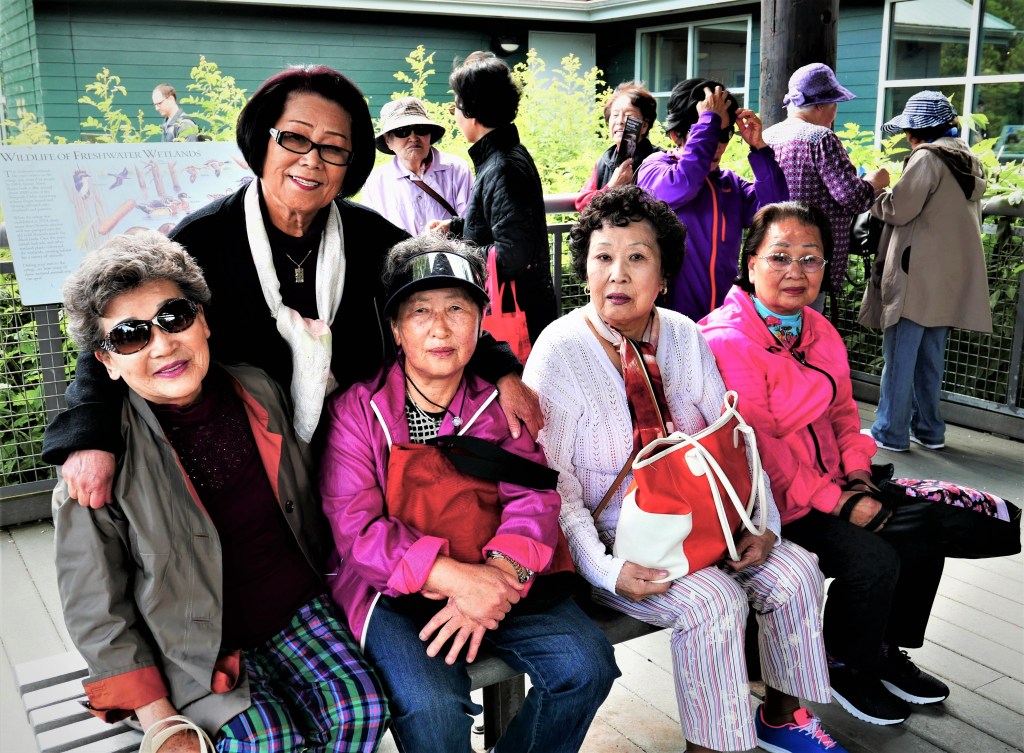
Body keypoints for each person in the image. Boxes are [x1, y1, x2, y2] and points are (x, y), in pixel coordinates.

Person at [44, 64, 538, 509]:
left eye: (333, 148)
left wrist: (502, 370)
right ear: (262, 142)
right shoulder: (202, 239)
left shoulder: (372, 238)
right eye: (294, 138)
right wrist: (90, 433)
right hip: (244, 458)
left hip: (362, 450)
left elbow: (437, 302)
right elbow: (117, 330)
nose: (312, 161)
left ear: (350, 164)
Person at [524, 185, 845, 753]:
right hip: (616, 539)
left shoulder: (683, 334)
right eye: (603, 257)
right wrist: (607, 570)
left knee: (796, 570)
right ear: (585, 268)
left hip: (704, 519)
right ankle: (713, 747)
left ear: (664, 274)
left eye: (637, 257)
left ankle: (780, 717)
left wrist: (762, 525)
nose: (618, 274)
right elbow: (556, 487)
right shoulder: (561, 349)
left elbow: (734, 440)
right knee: (714, 600)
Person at [52, 231, 387, 752]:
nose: (163, 344)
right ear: (107, 362)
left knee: (361, 710)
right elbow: (96, 607)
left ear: (203, 322)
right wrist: (159, 719)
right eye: (130, 336)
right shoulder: (94, 466)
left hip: (296, 609)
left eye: (174, 317)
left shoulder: (257, 389)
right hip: (192, 646)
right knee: (264, 742)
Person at [321, 233, 618, 753]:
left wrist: (499, 578)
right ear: (396, 329)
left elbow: (533, 498)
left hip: (499, 569)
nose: (440, 328)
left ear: (480, 323)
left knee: (585, 667)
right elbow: (356, 527)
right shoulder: (358, 411)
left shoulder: (501, 405)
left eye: (457, 308)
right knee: (432, 709)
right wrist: (458, 580)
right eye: (420, 311)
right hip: (393, 590)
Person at [700, 202, 950, 728]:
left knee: (925, 531)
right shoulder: (727, 340)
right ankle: (844, 664)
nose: (795, 271)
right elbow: (760, 450)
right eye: (780, 256)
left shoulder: (817, 329)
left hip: (832, 484)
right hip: (770, 505)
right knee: (873, 560)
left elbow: (842, 413)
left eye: (810, 258)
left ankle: (882, 649)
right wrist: (839, 503)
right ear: (751, 264)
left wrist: (857, 473)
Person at [861, 91, 990, 452]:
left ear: (918, 130)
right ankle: (929, 431)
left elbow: (899, 209)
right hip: (948, 278)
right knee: (930, 359)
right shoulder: (968, 159)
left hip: (914, 274)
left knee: (899, 358)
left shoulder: (927, 158)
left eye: (908, 131)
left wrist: (874, 190)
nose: (906, 137)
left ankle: (890, 432)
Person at [636, 78, 789, 322]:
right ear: (675, 135)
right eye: (707, 130)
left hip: (722, 322)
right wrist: (709, 121)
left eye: (724, 134)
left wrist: (760, 149)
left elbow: (775, 211)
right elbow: (683, 184)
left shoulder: (731, 184)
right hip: (669, 322)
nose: (717, 144)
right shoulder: (656, 169)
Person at [431, 51, 557, 344]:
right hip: (528, 304)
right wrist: (455, 227)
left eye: (455, 107)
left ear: (471, 112)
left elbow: (512, 254)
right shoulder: (506, 155)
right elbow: (504, 223)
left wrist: (458, 251)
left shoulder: (501, 166)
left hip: (518, 313)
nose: (455, 116)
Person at [762, 63, 890, 309]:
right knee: (808, 323)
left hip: (773, 250)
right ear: (821, 105)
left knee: (775, 321)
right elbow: (851, 197)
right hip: (812, 253)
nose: (835, 113)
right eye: (835, 104)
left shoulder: (769, 136)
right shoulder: (821, 138)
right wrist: (875, 182)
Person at [360, 97, 474, 234]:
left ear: (430, 135)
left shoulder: (458, 170)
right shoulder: (375, 182)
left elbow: (473, 225)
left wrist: (451, 227)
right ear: (388, 140)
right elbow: (371, 233)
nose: (413, 138)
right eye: (402, 131)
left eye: (421, 129)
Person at [574, 81, 662, 211]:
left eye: (628, 116)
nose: (620, 121)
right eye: (614, 115)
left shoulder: (659, 161)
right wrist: (612, 186)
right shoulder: (605, 161)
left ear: (644, 126)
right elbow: (581, 204)